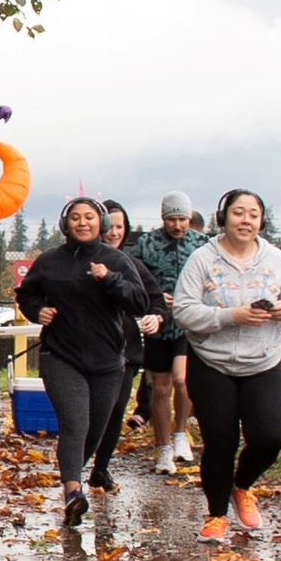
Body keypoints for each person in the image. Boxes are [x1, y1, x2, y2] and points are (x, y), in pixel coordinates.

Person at [173, 189, 281, 543]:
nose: (246, 220)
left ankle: (242, 486)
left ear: (261, 220)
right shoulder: (203, 259)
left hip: (263, 360)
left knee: (270, 436)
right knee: (220, 441)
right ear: (224, 217)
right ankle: (216, 515)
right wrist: (230, 316)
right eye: (238, 213)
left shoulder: (275, 258)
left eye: (253, 214)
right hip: (211, 363)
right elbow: (183, 311)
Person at [15, 198, 147, 527]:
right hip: (61, 356)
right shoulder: (49, 261)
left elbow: (140, 301)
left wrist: (109, 279)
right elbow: (26, 294)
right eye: (75, 217)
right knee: (75, 424)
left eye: (89, 217)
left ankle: (73, 472)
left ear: (100, 222)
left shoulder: (116, 260)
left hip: (107, 361)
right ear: (65, 223)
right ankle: (73, 492)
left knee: (95, 430)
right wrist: (37, 311)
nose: (82, 223)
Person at [87, 201, 168, 493]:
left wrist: (155, 317)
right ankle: (74, 468)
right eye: (110, 225)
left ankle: (101, 468)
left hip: (125, 351)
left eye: (120, 227)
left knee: (115, 409)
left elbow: (155, 299)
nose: (114, 232)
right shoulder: (75, 261)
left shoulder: (131, 265)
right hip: (84, 349)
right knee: (89, 412)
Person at [130, 191, 208, 474]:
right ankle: (163, 447)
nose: (177, 225)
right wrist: (157, 297)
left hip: (190, 324)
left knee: (182, 379)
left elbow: (213, 279)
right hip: (160, 324)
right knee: (160, 387)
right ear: (163, 218)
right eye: (172, 219)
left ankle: (180, 433)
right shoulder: (147, 244)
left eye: (182, 219)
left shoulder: (202, 244)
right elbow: (134, 281)